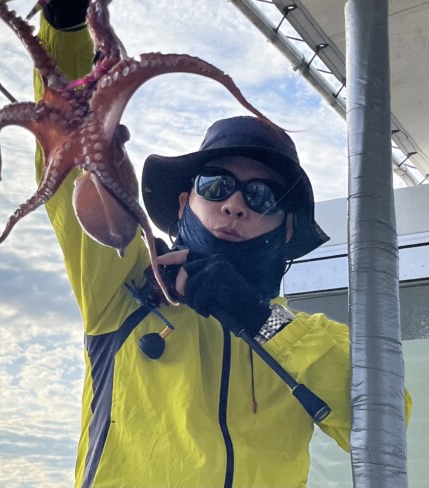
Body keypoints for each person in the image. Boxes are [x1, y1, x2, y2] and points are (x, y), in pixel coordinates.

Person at [33, 1, 411, 487]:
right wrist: (65, 25)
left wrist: (260, 318)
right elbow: (68, 161)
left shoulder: (309, 336)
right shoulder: (124, 290)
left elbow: (382, 416)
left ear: (287, 229)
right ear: (187, 200)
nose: (235, 205)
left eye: (261, 195)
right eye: (216, 185)